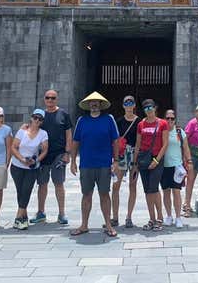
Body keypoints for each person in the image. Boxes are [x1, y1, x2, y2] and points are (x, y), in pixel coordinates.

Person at [70, 91, 120, 237]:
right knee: (86, 194)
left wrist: (116, 160)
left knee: (104, 194)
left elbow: (115, 141)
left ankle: (109, 225)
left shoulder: (109, 119)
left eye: (97, 102)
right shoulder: (82, 120)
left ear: (100, 104)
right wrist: (73, 161)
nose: (94, 104)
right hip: (86, 164)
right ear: (88, 105)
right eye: (91, 102)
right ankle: (84, 225)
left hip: (104, 164)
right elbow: (75, 141)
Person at [30, 89, 73, 226]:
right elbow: (33, 129)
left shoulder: (63, 114)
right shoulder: (40, 115)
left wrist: (67, 153)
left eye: (53, 98)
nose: (50, 100)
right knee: (42, 184)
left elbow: (68, 135)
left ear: (57, 99)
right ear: (44, 99)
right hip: (42, 155)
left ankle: (61, 213)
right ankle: (41, 213)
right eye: (48, 98)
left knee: (58, 183)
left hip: (58, 154)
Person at [10, 108, 49, 230]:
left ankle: (18, 218)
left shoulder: (43, 134)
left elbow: (45, 150)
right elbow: (13, 147)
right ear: (31, 117)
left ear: (42, 121)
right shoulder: (22, 131)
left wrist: (36, 160)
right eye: (35, 117)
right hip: (17, 165)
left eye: (40, 119)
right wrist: (22, 159)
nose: (37, 120)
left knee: (27, 190)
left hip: (32, 167)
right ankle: (23, 218)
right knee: (20, 191)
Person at [134, 98, 169, 231]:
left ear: (155, 108)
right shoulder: (141, 124)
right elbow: (138, 144)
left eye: (151, 107)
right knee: (147, 190)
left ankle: (160, 218)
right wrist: (134, 163)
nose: (149, 110)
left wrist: (156, 160)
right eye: (146, 108)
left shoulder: (162, 123)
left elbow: (165, 144)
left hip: (156, 159)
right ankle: (151, 218)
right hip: (143, 160)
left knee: (154, 189)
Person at [112, 95, 140, 228]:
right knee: (116, 185)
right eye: (126, 102)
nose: (129, 105)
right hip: (122, 155)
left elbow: (140, 142)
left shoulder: (139, 122)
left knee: (132, 186)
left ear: (134, 105)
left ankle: (129, 217)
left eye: (131, 102)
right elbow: (115, 141)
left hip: (134, 155)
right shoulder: (118, 121)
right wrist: (115, 159)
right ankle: (115, 217)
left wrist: (135, 161)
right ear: (123, 105)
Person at [160, 109, 192, 228]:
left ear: (175, 120)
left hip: (177, 166)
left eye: (172, 118)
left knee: (176, 192)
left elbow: (186, 147)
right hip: (163, 166)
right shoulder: (161, 131)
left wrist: (189, 161)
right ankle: (169, 216)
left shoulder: (179, 132)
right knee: (166, 192)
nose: (169, 121)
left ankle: (178, 217)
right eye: (167, 118)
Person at [182, 103, 198, 217]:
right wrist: (185, 157)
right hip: (191, 155)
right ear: (196, 112)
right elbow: (184, 139)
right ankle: (187, 205)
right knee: (190, 181)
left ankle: (186, 203)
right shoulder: (192, 123)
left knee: (191, 180)